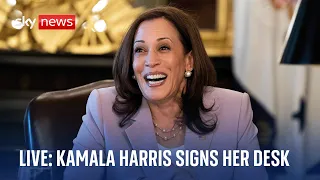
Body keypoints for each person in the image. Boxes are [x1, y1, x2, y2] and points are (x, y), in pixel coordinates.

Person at [64, 6, 268, 180]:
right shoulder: (103, 108)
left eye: (163, 48)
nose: (150, 61)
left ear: (189, 61)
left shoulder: (235, 110)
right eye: (140, 50)